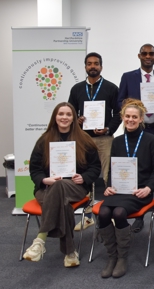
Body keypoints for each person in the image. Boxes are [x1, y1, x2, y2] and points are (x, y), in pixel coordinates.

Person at [23, 102, 101, 267]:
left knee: (60, 187)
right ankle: (70, 252)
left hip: (75, 186)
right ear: (55, 117)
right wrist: (44, 180)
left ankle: (40, 240)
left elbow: (95, 167)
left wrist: (84, 177)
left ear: (73, 118)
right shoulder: (44, 140)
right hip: (46, 188)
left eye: (68, 114)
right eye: (61, 114)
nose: (64, 117)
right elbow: (34, 169)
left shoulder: (85, 139)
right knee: (63, 203)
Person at [97, 99, 154, 278]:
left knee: (118, 213)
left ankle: (122, 258)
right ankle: (112, 257)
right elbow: (111, 168)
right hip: (119, 190)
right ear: (123, 118)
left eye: (135, 117)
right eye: (127, 116)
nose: (131, 120)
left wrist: (149, 188)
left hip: (139, 192)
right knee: (102, 213)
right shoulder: (117, 141)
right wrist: (109, 186)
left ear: (141, 119)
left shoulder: (151, 140)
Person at [117, 43, 154, 232]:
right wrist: (135, 104)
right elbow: (120, 102)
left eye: (151, 54)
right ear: (139, 56)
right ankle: (139, 214)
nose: (148, 56)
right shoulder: (128, 77)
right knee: (138, 172)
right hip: (136, 133)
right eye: (145, 53)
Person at [68, 52, 121, 231]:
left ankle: (111, 213)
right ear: (85, 67)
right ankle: (88, 216)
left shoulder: (111, 88)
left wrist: (108, 129)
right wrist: (77, 121)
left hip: (105, 139)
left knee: (108, 175)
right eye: (89, 64)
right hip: (83, 139)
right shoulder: (76, 89)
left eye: (96, 64)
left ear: (101, 67)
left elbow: (118, 114)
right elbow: (70, 113)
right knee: (86, 175)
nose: (93, 66)